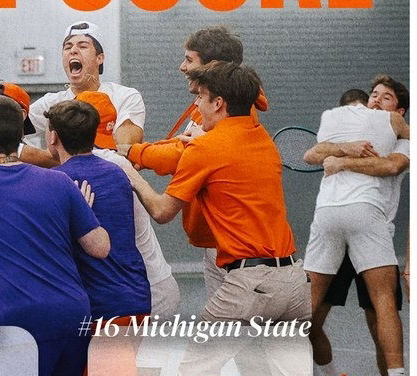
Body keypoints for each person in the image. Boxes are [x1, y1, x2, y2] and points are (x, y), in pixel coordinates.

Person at [119, 61, 310, 374]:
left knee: (193, 369)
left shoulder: (204, 149)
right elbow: (226, 151)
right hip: (293, 282)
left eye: (201, 97)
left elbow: (162, 211)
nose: (197, 104)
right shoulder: (262, 138)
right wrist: (197, 143)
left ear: (218, 103)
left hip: (251, 286)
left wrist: (132, 174)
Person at [0, 94, 110, 376]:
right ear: (21, 137)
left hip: (18, 318)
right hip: (72, 313)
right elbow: (100, 246)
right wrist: (80, 212)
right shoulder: (60, 181)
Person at [122, 26, 268, 302]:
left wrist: (129, 155)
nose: (181, 67)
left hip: (234, 246)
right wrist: (137, 153)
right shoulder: (209, 106)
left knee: (231, 339)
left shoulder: (229, 111)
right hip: (219, 243)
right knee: (228, 339)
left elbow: (183, 154)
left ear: (211, 67)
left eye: (189, 60)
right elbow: (181, 143)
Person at [303, 75, 410, 376]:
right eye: (373, 95)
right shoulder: (351, 133)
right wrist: (345, 148)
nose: (375, 99)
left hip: (372, 233)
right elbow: (312, 154)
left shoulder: (403, 139)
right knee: (309, 319)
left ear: (398, 112)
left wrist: (342, 162)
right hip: (335, 227)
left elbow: (390, 166)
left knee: (380, 325)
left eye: (385, 97)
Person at [45, 98, 151, 374]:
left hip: (100, 305)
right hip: (135, 297)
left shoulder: (57, 182)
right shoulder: (115, 173)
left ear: (53, 136)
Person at [24, 21, 146, 150]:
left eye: (82, 46)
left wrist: (57, 160)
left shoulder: (124, 96)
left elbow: (126, 149)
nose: (73, 50)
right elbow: (9, 135)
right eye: (67, 47)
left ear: (99, 58)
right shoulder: (50, 103)